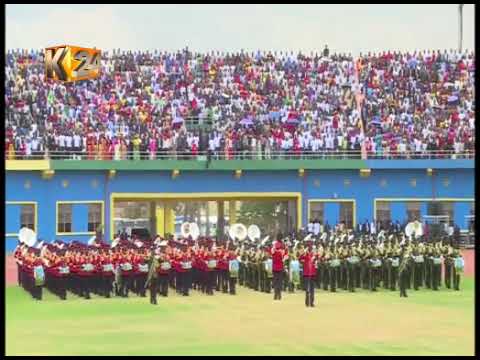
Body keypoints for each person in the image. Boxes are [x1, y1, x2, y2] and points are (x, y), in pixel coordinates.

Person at [298, 243, 317, 307]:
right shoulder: (305, 254)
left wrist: (314, 255)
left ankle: (311, 302)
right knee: (307, 289)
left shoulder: (313, 254)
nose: (310, 249)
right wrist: (304, 253)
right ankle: (307, 302)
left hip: (312, 273)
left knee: (312, 289)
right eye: (309, 248)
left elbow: (317, 258)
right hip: (306, 273)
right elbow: (300, 259)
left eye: (310, 248)